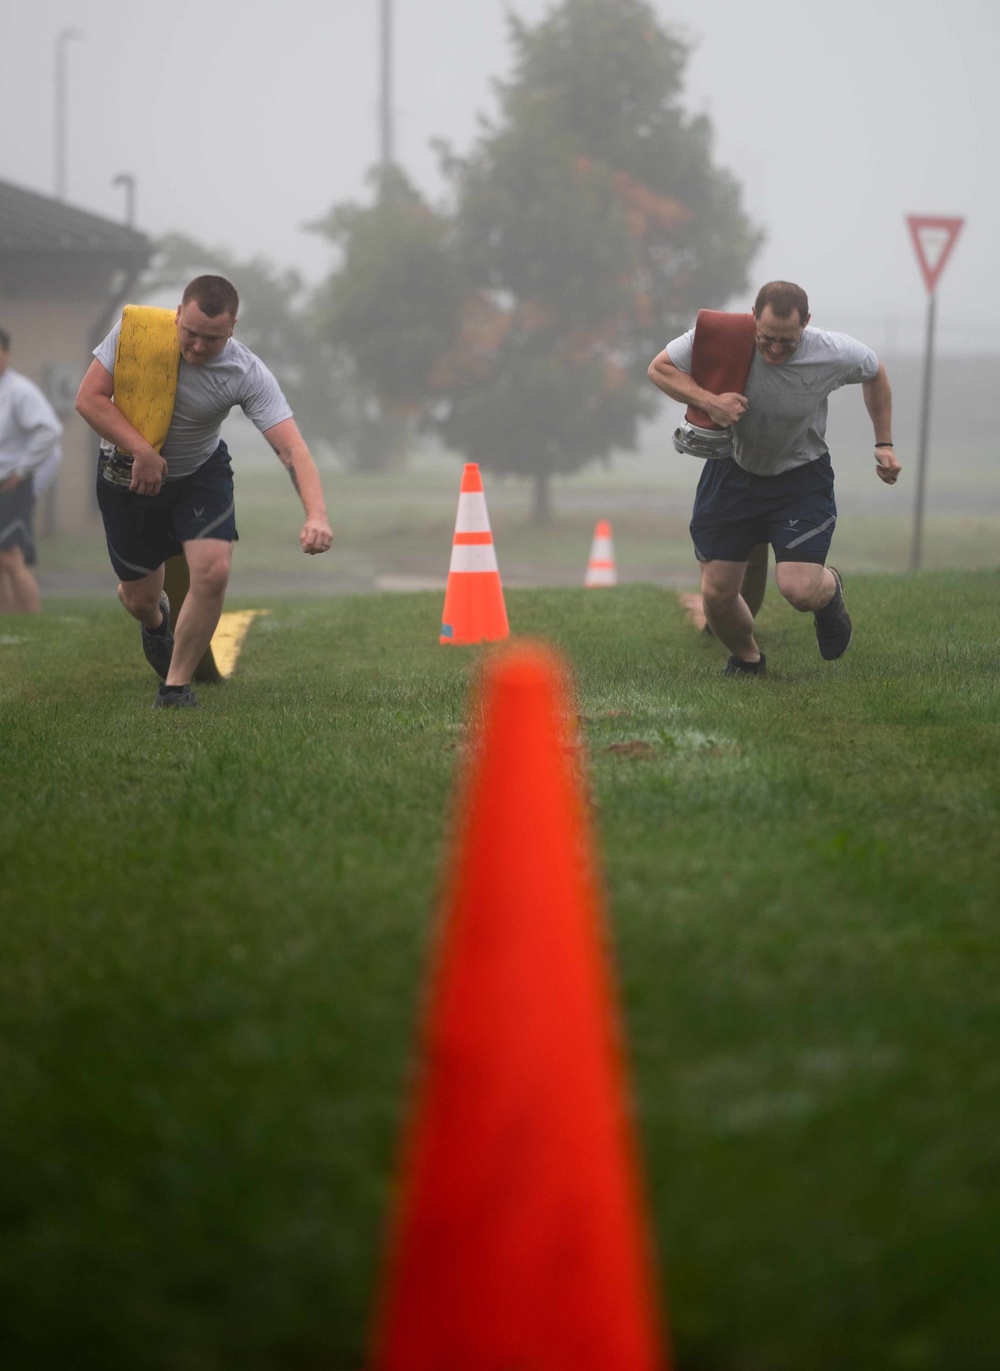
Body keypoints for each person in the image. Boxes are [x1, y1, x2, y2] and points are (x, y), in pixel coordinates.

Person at [75, 275, 333, 708]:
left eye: (211, 339)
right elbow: (89, 399)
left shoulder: (246, 372)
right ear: (177, 314)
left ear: (232, 329)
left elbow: (291, 448)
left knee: (213, 570)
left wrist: (317, 515)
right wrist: (142, 449)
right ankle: (156, 621)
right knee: (138, 598)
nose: (196, 347)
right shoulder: (136, 331)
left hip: (199, 474)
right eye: (190, 333)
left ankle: (175, 688)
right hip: (127, 474)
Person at [648, 280, 901, 675]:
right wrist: (710, 401)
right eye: (767, 339)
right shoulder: (722, 333)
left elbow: (875, 372)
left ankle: (829, 590)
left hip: (800, 478)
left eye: (788, 340)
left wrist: (883, 442)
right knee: (716, 592)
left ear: (806, 324)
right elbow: (659, 368)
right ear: (753, 318)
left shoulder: (832, 351)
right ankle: (748, 659)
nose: (776, 349)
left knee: (798, 589)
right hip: (733, 470)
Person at [0, 328, 63, 614]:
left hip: (11, 485)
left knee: (11, 556)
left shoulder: (19, 390)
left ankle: (32, 620)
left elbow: (50, 430)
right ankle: (8, 617)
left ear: (6, 353)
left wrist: (22, 470)